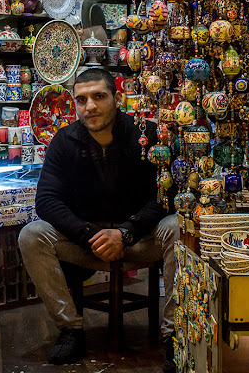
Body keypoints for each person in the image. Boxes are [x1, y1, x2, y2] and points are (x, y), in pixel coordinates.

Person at [18, 68, 177, 371]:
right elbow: (46, 201)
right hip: (89, 243)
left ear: (117, 99)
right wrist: (90, 234)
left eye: (99, 96)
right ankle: (70, 330)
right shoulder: (64, 141)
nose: (89, 106)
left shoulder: (147, 134)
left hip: (140, 240)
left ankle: (174, 335)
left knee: (177, 228)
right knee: (32, 234)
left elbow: (165, 195)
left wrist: (125, 233)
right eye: (81, 99)